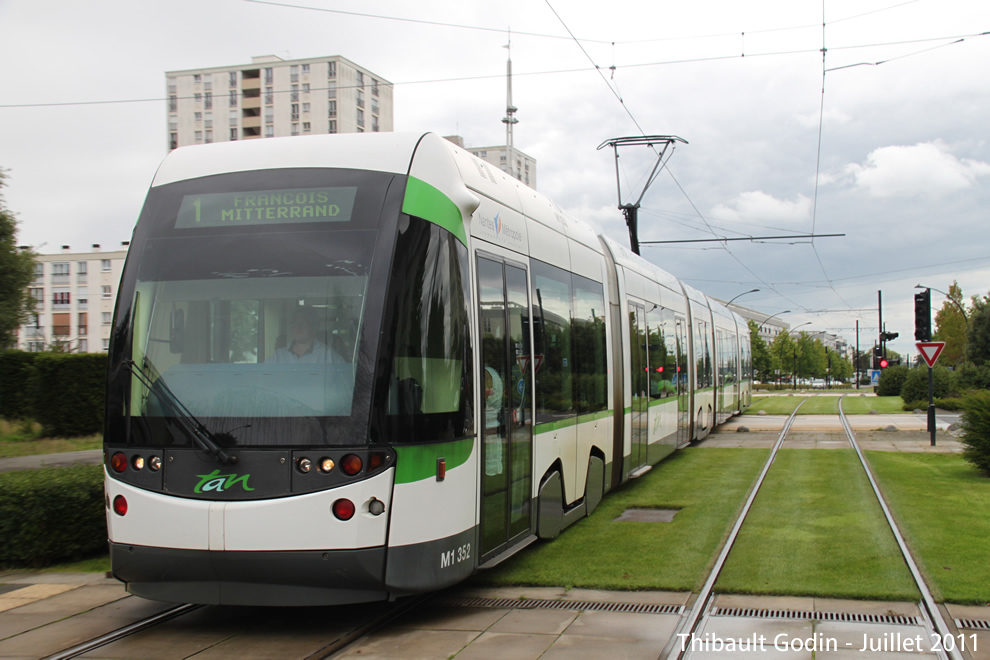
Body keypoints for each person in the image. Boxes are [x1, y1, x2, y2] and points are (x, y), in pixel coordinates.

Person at [268, 306, 343, 363]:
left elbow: (345, 378)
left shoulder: (328, 355)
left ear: (315, 327)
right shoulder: (278, 356)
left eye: (302, 323)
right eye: (295, 323)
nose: (298, 327)